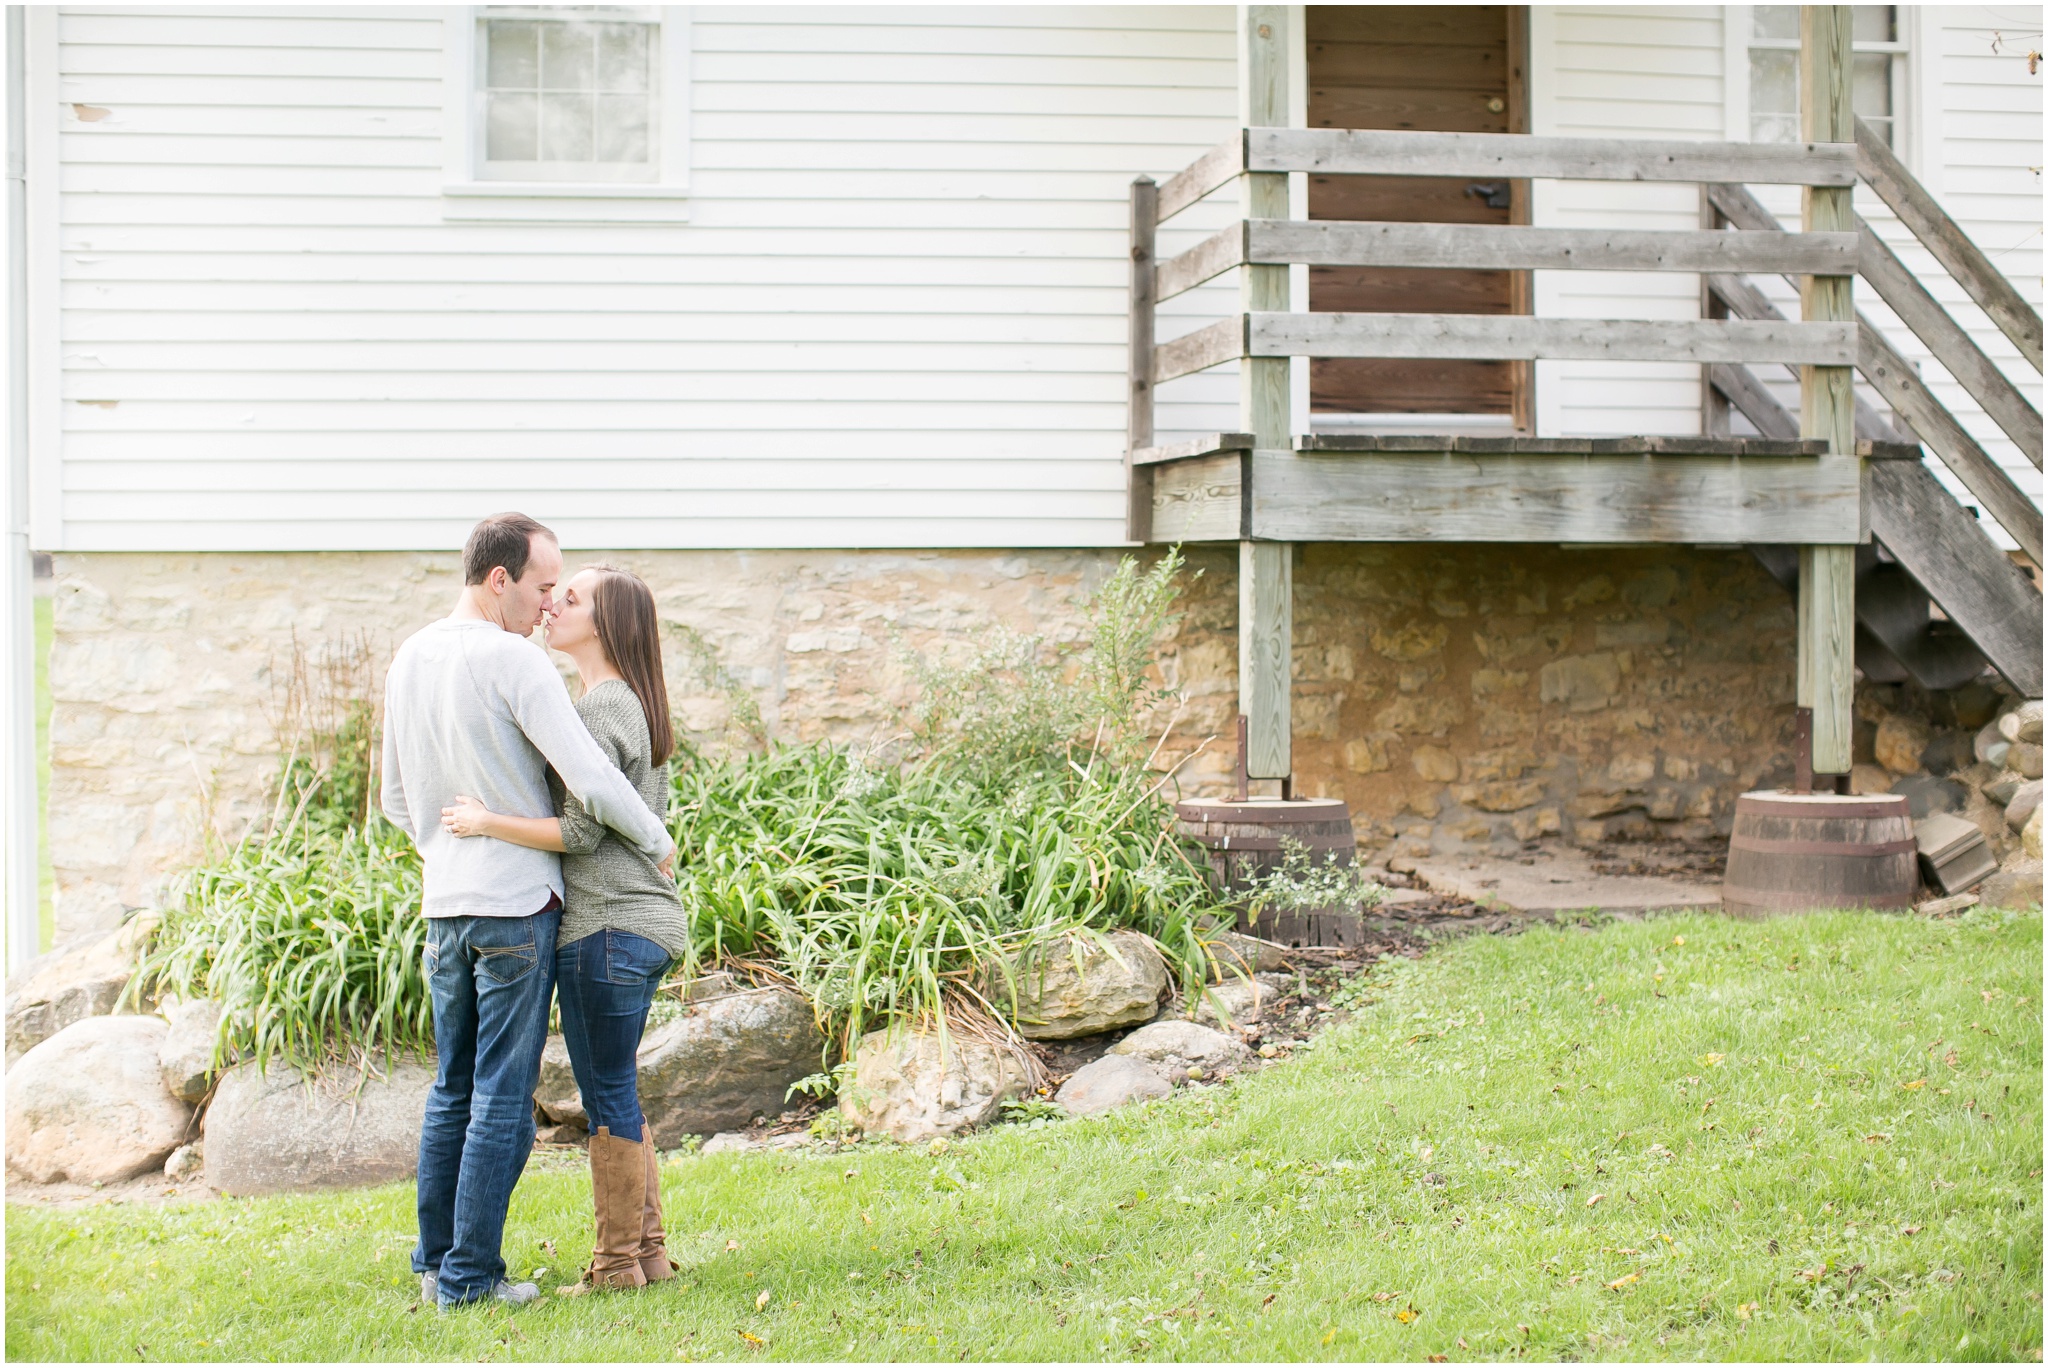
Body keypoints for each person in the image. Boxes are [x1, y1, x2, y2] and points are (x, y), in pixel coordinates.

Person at [380, 514, 677, 1311]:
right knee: (501, 1097)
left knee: (451, 1089)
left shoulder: (409, 656)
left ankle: (435, 1263)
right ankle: (471, 1280)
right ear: (500, 580)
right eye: (545, 586)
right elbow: (595, 783)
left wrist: (448, 854)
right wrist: (656, 838)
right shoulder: (515, 661)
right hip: (516, 905)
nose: (549, 603)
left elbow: (396, 800)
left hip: (445, 904)